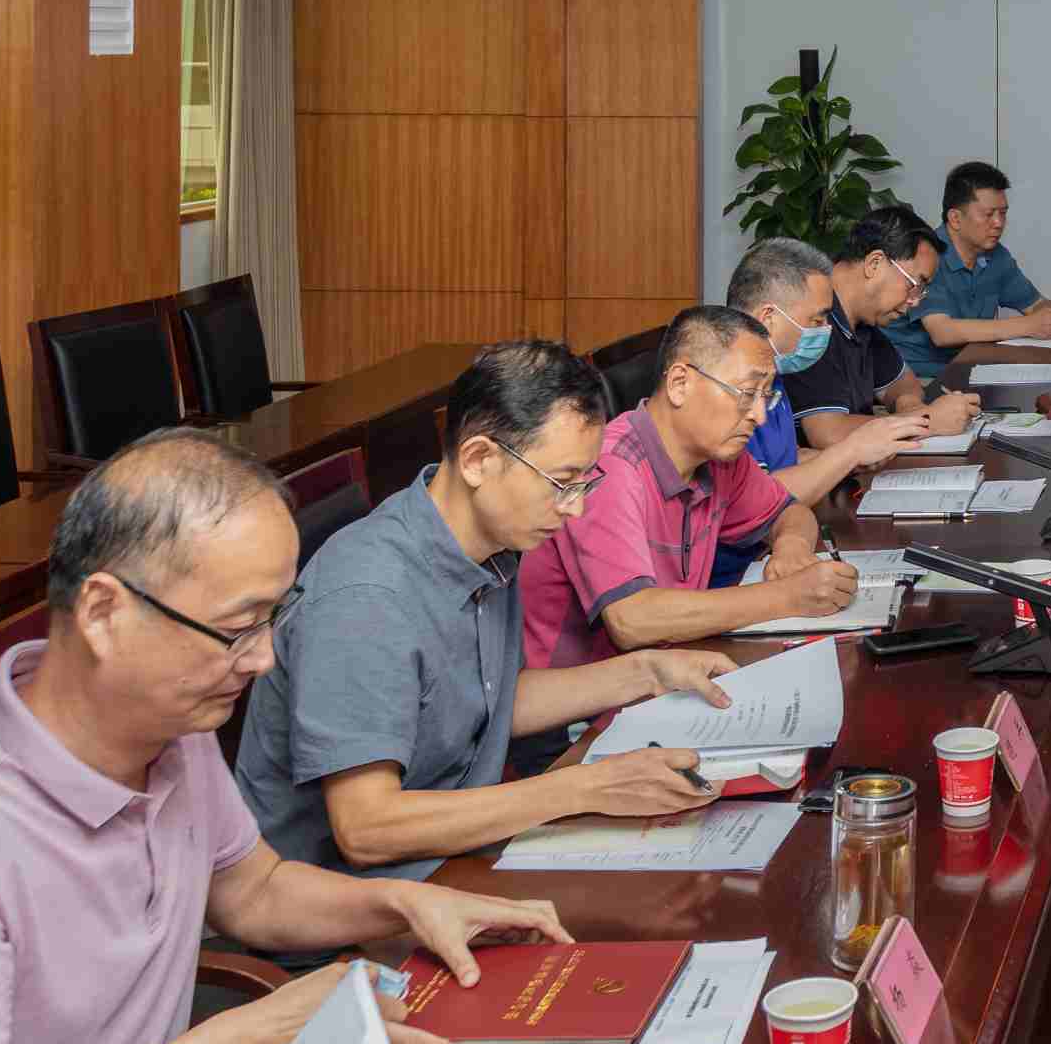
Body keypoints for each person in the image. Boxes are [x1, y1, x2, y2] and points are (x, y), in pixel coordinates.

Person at [0, 430, 576, 1044]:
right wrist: (235, 1041)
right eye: (237, 629)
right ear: (104, 612)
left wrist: (409, 903)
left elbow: (254, 892)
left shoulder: (171, 725)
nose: (263, 659)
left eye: (272, 619)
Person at [236, 341, 737, 880]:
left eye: (584, 483)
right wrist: (588, 787)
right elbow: (368, 828)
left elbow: (488, 700)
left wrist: (648, 671)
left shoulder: (492, 544)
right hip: (352, 903)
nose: (575, 508)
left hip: (454, 857)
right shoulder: (366, 597)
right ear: (479, 460)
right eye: (561, 483)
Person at [518, 306, 859, 668]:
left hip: (673, 666)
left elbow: (790, 512)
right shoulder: (610, 467)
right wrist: (787, 596)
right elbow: (632, 620)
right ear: (680, 383)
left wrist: (791, 547)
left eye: (766, 396)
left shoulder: (720, 457)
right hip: (590, 692)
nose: (759, 416)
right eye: (747, 393)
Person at [711, 238, 931, 585]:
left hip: (775, 552)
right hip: (735, 576)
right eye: (816, 320)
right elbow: (759, 495)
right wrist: (851, 450)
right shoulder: (724, 388)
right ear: (769, 318)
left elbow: (782, 459)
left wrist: (851, 460)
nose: (825, 332)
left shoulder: (772, 374)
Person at [791, 206, 981, 454]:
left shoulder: (862, 320)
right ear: (875, 263)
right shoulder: (812, 320)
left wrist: (909, 406)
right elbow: (829, 433)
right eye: (915, 284)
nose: (915, 301)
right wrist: (926, 421)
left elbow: (904, 384)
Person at [886, 161, 1051, 379]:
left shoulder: (996, 255)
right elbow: (943, 332)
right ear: (955, 218)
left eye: (1003, 213)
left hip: (974, 369)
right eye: (988, 214)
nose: (998, 223)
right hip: (917, 377)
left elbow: (1035, 304)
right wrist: (1029, 325)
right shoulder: (927, 256)